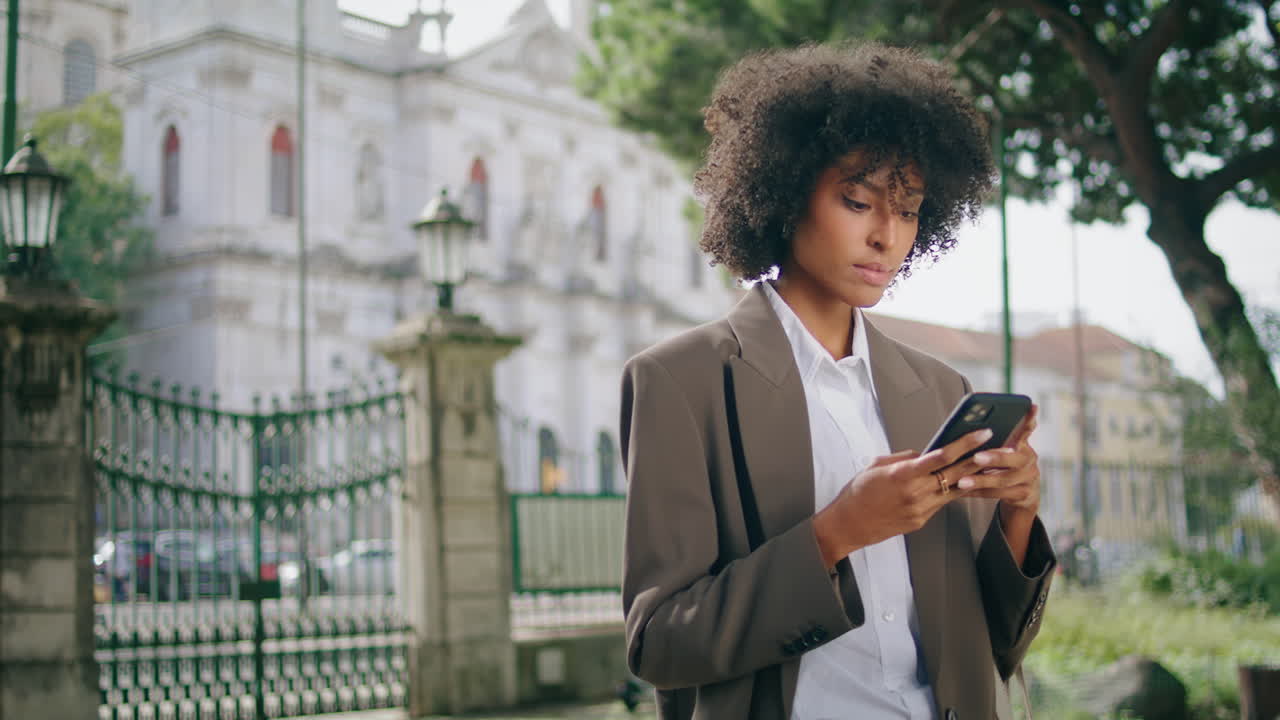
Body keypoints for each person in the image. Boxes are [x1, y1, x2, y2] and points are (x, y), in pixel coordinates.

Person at [619, 43, 1056, 720]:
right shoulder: (681, 383)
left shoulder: (941, 390)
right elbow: (660, 645)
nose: (887, 235)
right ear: (786, 193)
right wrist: (835, 534)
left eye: (909, 209)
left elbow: (994, 640)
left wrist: (1018, 513)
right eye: (858, 200)